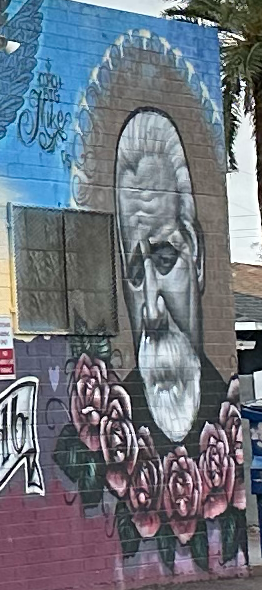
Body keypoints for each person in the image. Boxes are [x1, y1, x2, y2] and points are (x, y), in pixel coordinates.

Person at [113, 108, 209, 447]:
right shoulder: (108, 424)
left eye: (165, 259)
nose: (152, 313)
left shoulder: (227, 401)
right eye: (136, 273)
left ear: (197, 258)